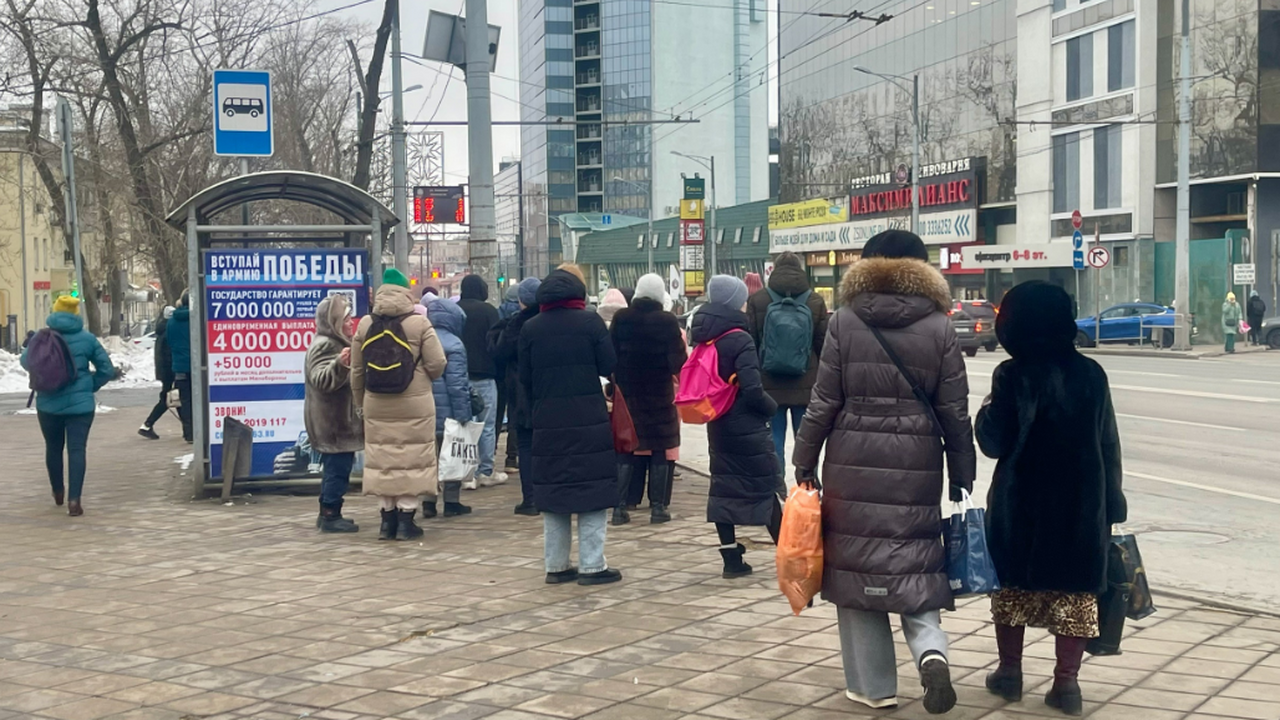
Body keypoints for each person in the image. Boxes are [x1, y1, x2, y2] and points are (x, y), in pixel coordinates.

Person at [792, 230, 976, 715]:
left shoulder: (846, 321)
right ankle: (931, 652)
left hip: (852, 456)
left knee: (857, 567)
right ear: (922, 268)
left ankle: (874, 688)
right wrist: (962, 469)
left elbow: (824, 400)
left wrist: (803, 459)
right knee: (913, 559)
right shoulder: (939, 326)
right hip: (917, 462)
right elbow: (954, 409)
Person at [976, 281, 1127, 717]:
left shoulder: (1012, 374)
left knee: (1012, 589)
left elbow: (993, 439)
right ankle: (1067, 685)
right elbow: (1108, 443)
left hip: (1020, 502)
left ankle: (1009, 672)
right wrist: (1112, 501)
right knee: (1076, 593)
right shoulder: (1091, 374)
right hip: (1082, 503)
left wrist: (987, 408)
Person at [519, 266, 621, 585]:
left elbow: (524, 377)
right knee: (592, 489)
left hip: (547, 420)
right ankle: (592, 566)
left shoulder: (531, 327)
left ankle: (557, 565)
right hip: (587, 418)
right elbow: (609, 364)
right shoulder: (590, 321)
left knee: (554, 493)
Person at [691, 275, 781, 578]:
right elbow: (752, 389)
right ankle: (788, 557)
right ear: (734, 301)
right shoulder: (739, 337)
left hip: (717, 422)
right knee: (766, 486)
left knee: (724, 489)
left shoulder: (705, 335)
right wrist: (771, 408)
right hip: (746, 424)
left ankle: (731, 560)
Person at [351, 268, 448, 541]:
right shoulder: (419, 324)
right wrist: (424, 376)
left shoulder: (364, 324)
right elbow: (438, 362)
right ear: (406, 293)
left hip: (375, 402)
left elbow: (356, 371)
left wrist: (362, 402)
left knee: (383, 459)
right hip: (414, 402)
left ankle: (386, 521)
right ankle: (407, 521)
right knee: (411, 458)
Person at [22, 295, 115, 517]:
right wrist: (89, 385)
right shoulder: (87, 338)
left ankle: (57, 492)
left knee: (53, 448)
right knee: (77, 449)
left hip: (48, 404)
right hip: (81, 407)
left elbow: (26, 361)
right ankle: (75, 500)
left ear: (55, 312)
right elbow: (107, 369)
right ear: (76, 314)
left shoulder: (42, 337)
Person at [610, 274, 686, 525]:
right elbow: (678, 363)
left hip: (627, 395)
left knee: (625, 449)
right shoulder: (667, 322)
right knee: (659, 449)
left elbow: (610, 357)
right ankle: (658, 508)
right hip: (659, 396)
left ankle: (619, 509)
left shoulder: (621, 319)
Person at [746, 251, 829, 474]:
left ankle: (777, 487)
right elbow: (823, 345)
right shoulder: (815, 300)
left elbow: (751, 342)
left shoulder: (758, 299)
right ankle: (806, 485)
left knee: (773, 439)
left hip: (770, 381)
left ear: (774, 268)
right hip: (806, 380)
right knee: (806, 440)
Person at [304, 295, 363, 533]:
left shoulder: (335, 342)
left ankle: (331, 511)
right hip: (333, 424)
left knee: (339, 468)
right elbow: (320, 379)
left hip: (336, 423)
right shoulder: (326, 345)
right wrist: (340, 364)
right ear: (335, 322)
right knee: (336, 470)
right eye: (347, 318)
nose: (352, 323)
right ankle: (329, 514)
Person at [494, 277, 542, 515]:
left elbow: (501, 351)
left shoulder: (515, 324)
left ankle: (530, 499)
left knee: (525, 444)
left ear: (521, 300)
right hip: (547, 392)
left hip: (521, 392)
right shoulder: (549, 320)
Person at [426, 296, 474, 518]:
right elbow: (457, 385)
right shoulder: (454, 344)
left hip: (425, 410)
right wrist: (464, 414)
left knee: (429, 458)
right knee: (453, 455)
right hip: (449, 414)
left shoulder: (422, 339)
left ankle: (427, 501)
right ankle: (452, 502)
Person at [457, 274, 505, 487]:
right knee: (486, 424)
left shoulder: (455, 310)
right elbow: (498, 343)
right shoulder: (489, 311)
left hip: (458, 376)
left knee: (464, 425)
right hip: (485, 375)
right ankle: (485, 471)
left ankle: (466, 473)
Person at [494, 285, 522, 473]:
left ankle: (491, 450)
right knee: (515, 413)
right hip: (518, 372)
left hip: (498, 372)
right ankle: (512, 457)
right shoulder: (524, 317)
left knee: (495, 415)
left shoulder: (498, 314)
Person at [138, 306, 175, 440]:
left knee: (176, 398)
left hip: (164, 371)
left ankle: (189, 428)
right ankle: (148, 424)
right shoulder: (168, 332)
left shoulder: (161, 330)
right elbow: (169, 354)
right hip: (170, 371)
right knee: (169, 398)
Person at [166, 294, 193, 443]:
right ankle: (200, 430)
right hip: (199, 367)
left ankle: (189, 433)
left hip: (180, 366)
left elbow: (169, 342)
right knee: (201, 399)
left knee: (185, 400)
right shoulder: (198, 318)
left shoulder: (171, 322)